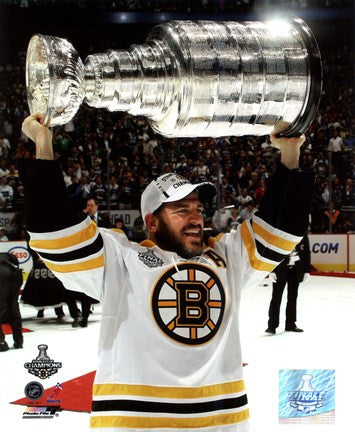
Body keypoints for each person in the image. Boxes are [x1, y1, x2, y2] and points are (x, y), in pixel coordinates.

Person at [19, 113, 313, 432]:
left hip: (221, 423)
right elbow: (55, 232)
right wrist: (44, 145)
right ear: (152, 222)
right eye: (181, 210)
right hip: (136, 424)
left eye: (198, 209)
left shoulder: (227, 257)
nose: (196, 218)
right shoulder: (121, 261)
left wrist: (290, 152)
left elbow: (284, 226)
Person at [265, 235, 311, 335]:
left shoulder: (302, 233)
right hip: (280, 270)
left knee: (292, 298)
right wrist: (271, 270)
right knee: (276, 298)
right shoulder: (280, 232)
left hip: (296, 271)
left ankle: (290, 324)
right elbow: (272, 251)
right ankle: (272, 326)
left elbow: (306, 252)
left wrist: (307, 270)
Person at [0, 252, 23, 351]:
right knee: (14, 307)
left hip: (2, 275)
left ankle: (1, 342)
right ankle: (19, 341)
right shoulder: (6, 255)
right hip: (16, 273)